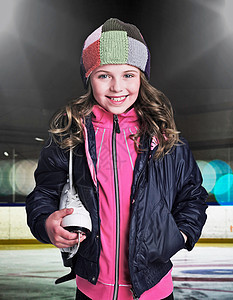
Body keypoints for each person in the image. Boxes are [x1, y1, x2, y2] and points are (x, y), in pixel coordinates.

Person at [26, 18, 208, 300]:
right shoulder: (69, 135)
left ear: (141, 78)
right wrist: (45, 222)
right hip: (91, 289)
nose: (116, 87)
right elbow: (44, 192)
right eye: (104, 75)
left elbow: (192, 195)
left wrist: (182, 234)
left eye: (128, 75)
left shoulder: (167, 139)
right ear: (89, 78)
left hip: (153, 289)